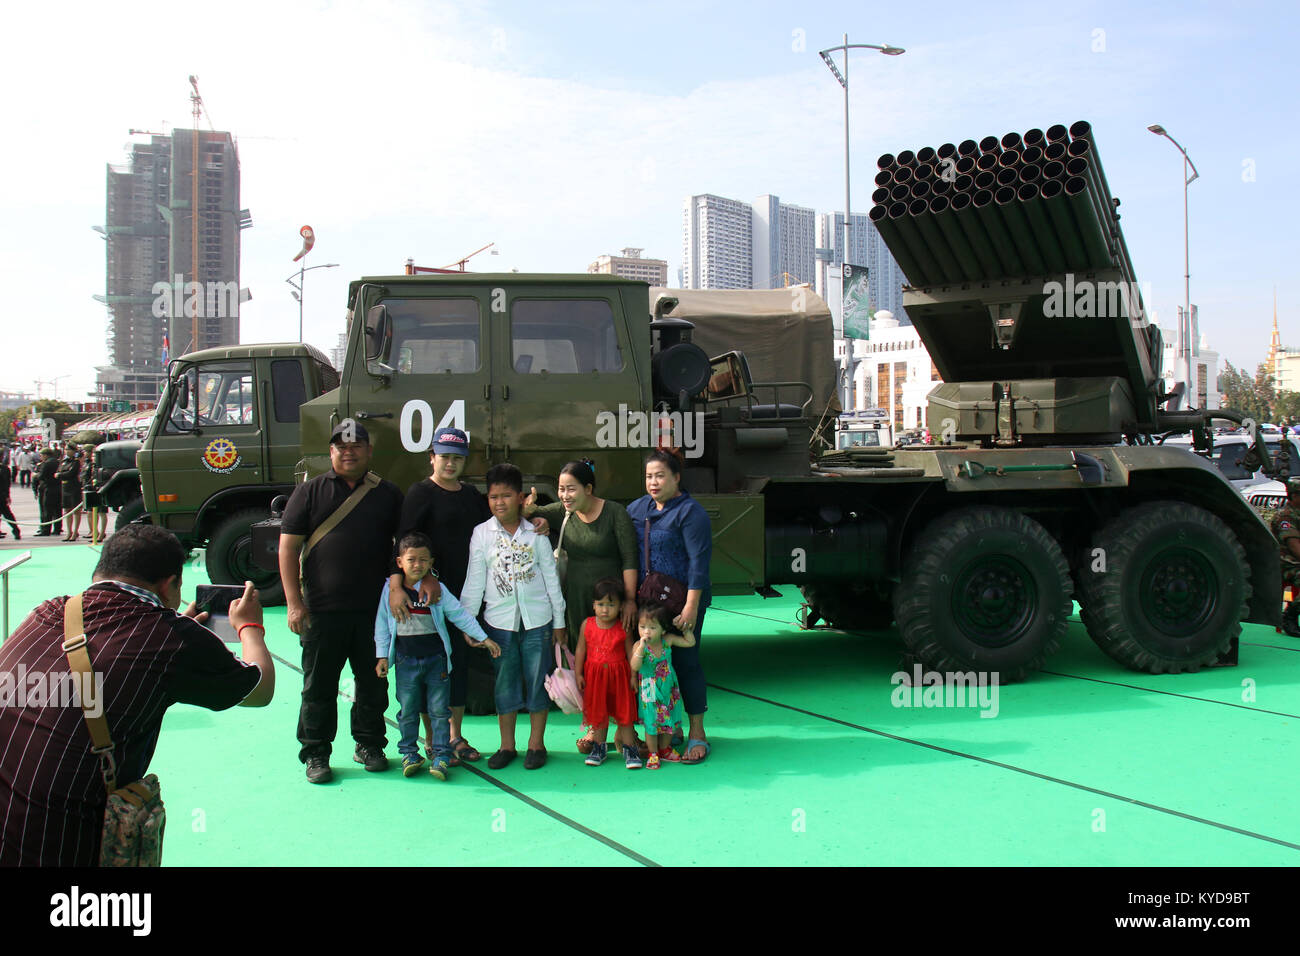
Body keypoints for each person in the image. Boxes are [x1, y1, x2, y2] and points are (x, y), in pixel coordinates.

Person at [0, 524, 274, 866]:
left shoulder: (45, 613)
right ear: (170, 584)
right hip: (62, 846)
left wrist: (172, 625)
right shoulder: (171, 639)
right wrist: (250, 626)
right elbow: (259, 689)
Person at [279, 421, 404, 783]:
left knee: (373, 682)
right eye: (340, 446)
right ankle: (316, 752)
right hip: (321, 610)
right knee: (318, 686)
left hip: (373, 612)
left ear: (368, 450)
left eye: (356, 446)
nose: (348, 452)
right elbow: (288, 549)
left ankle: (369, 744)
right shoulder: (309, 492)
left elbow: (404, 544)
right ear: (330, 451)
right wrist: (293, 602)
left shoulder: (388, 494)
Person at [523, 460, 639, 752]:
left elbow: (629, 559)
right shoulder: (564, 512)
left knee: (618, 665)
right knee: (587, 666)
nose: (564, 495)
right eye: (561, 489)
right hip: (575, 603)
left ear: (588, 488)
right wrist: (531, 511)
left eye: (571, 489)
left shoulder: (615, 513)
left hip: (611, 606)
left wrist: (629, 601)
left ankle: (624, 728)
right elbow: (531, 513)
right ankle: (594, 727)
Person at [389, 427, 487, 765]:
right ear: (432, 457)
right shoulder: (420, 493)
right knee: (431, 667)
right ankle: (432, 738)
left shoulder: (472, 496)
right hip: (428, 599)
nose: (450, 463)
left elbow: (493, 530)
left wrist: (534, 517)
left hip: (466, 596)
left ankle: (454, 735)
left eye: (457, 458)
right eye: (444, 456)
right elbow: (405, 542)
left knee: (457, 664)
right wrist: (427, 576)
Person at [459, 462, 566, 770]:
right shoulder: (481, 534)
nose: (500, 502)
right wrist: (469, 622)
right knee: (504, 683)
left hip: (538, 622)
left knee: (537, 681)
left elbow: (550, 578)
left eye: (506, 496)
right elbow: (474, 581)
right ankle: (507, 746)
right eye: (493, 497)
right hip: (499, 623)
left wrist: (558, 621)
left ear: (521, 497)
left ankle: (536, 744)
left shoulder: (536, 532)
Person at [375, 532, 500, 780]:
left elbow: (459, 615)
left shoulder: (437, 590)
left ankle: (441, 754)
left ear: (431, 563)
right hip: (404, 662)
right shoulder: (390, 592)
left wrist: (483, 637)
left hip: (436, 662)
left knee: (440, 711)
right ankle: (409, 753)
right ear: (399, 562)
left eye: (423, 560)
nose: (417, 565)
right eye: (411, 560)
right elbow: (381, 625)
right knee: (408, 710)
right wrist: (382, 657)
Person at [626, 449, 713, 764]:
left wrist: (691, 607)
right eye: (649, 476)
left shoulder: (691, 514)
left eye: (660, 475)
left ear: (677, 478)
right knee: (654, 668)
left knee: (687, 663)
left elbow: (698, 563)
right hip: (651, 609)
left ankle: (697, 733)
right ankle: (665, 731)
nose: (653, 482)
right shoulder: (637, 510)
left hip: (682, 605)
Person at [575, 578, 641, 769]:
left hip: (620, 678)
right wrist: (578, 674)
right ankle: (599, 747)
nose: (605, 609)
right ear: (593, 605)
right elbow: (580, 650)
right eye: (601, 604)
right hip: (595, 679)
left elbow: (631, 652)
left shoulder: (624, 627)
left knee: (625, 714)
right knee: (598, 713)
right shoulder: (587, 625)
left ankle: (630, 749)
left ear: (620, 607)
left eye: (611, 605)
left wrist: (633, 675)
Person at [629, 601, 695, 770]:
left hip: (668, 688)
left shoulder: (668, 640)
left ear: (663, 629)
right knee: (651, 723)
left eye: (652, 627)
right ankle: (653, 753)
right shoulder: (639, 646)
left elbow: (690, 642)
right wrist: (641, 649)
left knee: (669, 721)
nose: (646, 631)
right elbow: (634, 666)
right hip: (650, 690)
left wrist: (685, 629)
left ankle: (664, 748)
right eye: (642, 626)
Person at [1274, 477, 1300, 637]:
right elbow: (1295, 547)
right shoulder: (1286, 518)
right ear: (1294, 496)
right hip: (1285, 563)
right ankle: (1289, 616)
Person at [34, 448, 61, 537]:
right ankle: (57, 528)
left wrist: (35, 475)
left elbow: (41, 476)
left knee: (47, 510)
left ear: (46, 455)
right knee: (57, 510)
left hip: (48, 488)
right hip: (58, 488)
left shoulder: (46, 463)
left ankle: (46, 530)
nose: (40, 457)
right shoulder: (57, 462)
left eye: (41, 455)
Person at [58, 446, 83, 541]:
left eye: (69, 450)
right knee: (67, 510)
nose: (67, 451)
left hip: (73, 488)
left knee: (76, 511)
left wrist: (61, 475)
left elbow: (70, 473)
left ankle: (75, 531)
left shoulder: (75, 462)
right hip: (65, 488)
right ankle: (69, 531)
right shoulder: (63, 461)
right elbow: (58, 472)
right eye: (66, 450)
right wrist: (61, 474)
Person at [0, 453, 20, 539]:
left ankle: (16, 530)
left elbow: (6, 483)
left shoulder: (4, 469)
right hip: (3, 495)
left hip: (1, 495)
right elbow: (7, 484)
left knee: (7, 514)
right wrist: (7, 495)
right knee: (7, 514)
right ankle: (16, 531)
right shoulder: (5, 468)